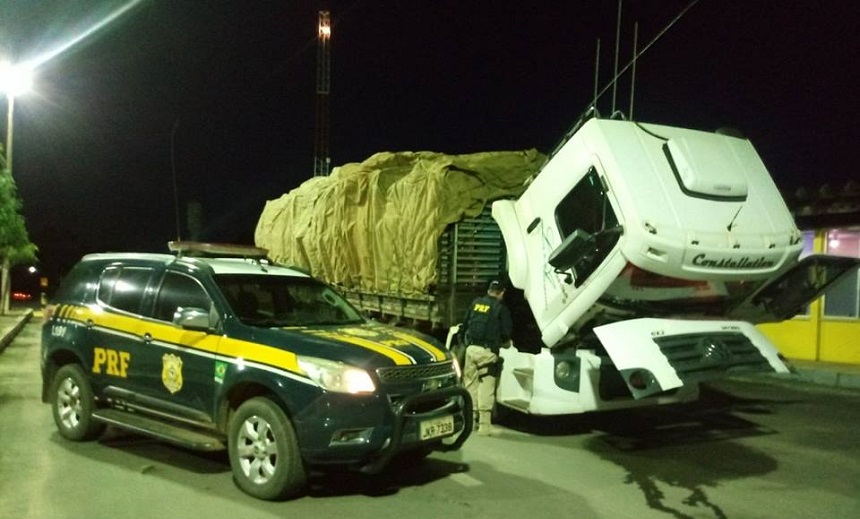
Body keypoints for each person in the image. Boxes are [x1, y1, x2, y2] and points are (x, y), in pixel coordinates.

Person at [462, 279, 512, 436]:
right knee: (486, 387)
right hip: (487, 353)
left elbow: (465, 324)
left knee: (471, 385)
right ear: (502, 293)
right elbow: (506, 332)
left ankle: (470, 422)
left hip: (471, 350)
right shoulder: (500, 308)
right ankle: (484, 426)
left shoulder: (476, 303)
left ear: (489, 290)